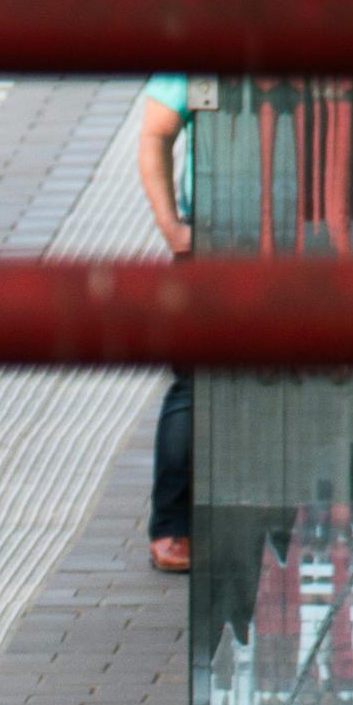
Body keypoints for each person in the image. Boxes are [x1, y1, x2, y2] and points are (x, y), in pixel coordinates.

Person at [134, 74, 197, 575]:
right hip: (217, 234)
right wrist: (172, 227)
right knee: (196, 383)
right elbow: (156, 131)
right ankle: (171, 525)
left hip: (309, 235)